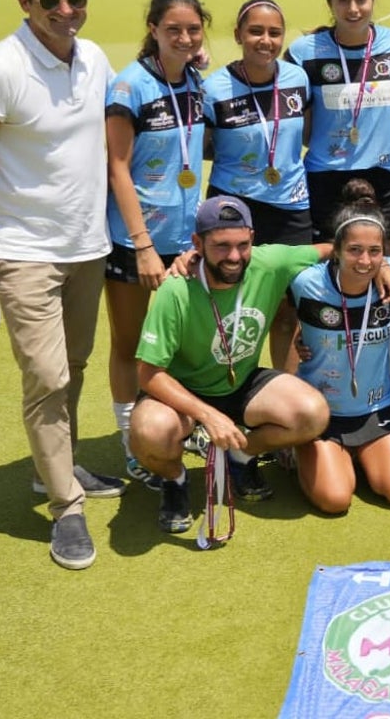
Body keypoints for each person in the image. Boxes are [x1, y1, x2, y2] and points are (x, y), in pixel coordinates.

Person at [0, 0, 122, 570]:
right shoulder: (0, 69)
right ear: (25, 1)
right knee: (46, 377)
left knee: (73, 363)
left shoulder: (93, 58)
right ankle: (65, 507)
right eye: (51, 0)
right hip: (23, 251)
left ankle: (54, 470)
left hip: (86, 244)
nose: (66, 11)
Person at [128, 197, 332, 534]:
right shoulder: (175, 289)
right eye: (221, 246)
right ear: (197, 244)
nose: (234, 256)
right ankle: (175, 480)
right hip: (182, 392)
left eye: (242, 244)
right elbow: (149, 374)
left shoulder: (270, 261)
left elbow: (333, 249)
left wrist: (384, 265)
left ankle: (239, 457)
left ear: (253, 237)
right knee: (149, 432)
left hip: (241, 382)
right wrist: (209, 416)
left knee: (312, 413)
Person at [105, 0, 209, 490]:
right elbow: (117, 168)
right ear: (152, 29)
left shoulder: (194, 80)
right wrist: (142, 244)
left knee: (176, 344)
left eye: (193, 29)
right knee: (130, 345)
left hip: (184, 239)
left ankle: (176, 427)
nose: (185, 38)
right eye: (174, 30)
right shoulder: (130, 87)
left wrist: (193, 59)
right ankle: (131, 441)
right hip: (137, 242)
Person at [290, 183, 390, 513]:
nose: (365, 260)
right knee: (335, 501)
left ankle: (358, 455)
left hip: (376, 408)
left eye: (374, 251)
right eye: (354, 250)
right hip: (322, 413)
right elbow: (275, 313)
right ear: (337, 249)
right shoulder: (306, 283)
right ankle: (300, 448)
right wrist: (296, 339)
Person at [202, 0, 311, 372]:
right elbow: (199, 146)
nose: (265, 40)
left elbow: (307, 132)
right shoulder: (213, 88)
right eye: (256, 31)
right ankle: (222, 393)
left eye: (274, 32)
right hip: (233, 211)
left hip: (292, 208)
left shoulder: (298, 80)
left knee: (288, 312)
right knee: (230, 310)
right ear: (238, 35)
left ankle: (287, 395)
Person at [285, 0, 390, 260]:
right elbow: (293, 111)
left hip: (386, 176)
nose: (353, 9)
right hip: (327, 177)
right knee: (332, 273)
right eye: (343, 0)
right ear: (330, 3)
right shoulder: (303, 53)